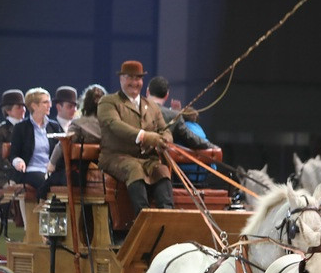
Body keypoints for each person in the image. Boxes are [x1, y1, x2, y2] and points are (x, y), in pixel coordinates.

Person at [97, 60, 173, 220]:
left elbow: (164, 130)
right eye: (129, 78)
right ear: (121, 79)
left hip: (147, 159)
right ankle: (143, 222)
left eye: (138, 78)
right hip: (116, 157)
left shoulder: (152, 106)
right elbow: (114, 125)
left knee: (162, 171)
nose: (134, 82)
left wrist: (164, 141)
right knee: (134, 169)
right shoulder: (108, 102)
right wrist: (144, 136)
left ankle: (168, 220)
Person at [9, 87, 64, 198]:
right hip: (30, 170)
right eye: (45, 102)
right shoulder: (20, 128)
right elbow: (13, 154)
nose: (50, 105)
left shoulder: (55, 126)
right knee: (43, 181)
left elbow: (62, 148)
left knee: (65, 180)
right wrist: (18, 161)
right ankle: (45, 210)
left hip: (50, 171)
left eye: (49, 102)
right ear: (34, 106)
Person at [47, 83, 106, 177]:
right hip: (106, 169)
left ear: (85, 103)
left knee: (45, 186)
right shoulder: (110, 124)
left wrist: (51, 164)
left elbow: (64, 143)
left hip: (81, 173)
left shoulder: (78, 124)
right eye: (70, 106)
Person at [145, 76, 216, 151]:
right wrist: (212, 147)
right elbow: (190, 138)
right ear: (167, 95)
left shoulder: (135, 109)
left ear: (147, 92)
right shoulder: (174, 116)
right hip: (161, 160)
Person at [0, 89, 25, 188]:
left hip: (27, 174)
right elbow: (0, 158)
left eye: (23, 106)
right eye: (19, 107)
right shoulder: (0, 130)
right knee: (21, 189)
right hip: (8, 177)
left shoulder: (29, 128)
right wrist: (18, 171)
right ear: (8, 110)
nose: (23, 110)